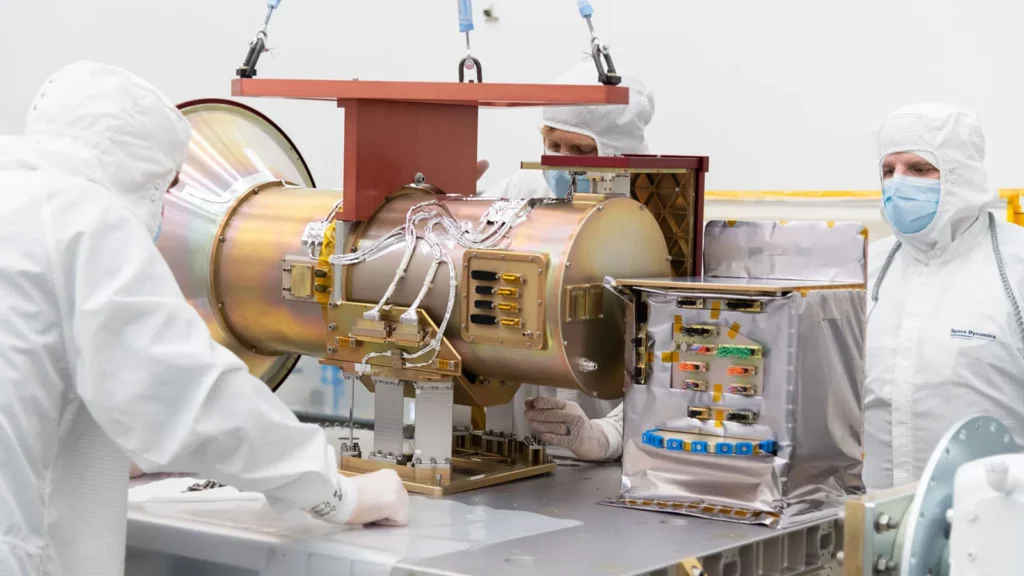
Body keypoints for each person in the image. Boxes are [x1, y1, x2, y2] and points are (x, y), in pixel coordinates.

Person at [0, 61, 409, 576]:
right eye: (168, 187)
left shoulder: (22, 203)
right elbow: (192, 397)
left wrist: (132, 445)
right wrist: (336, 493)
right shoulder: (82, 219)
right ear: (137, 171)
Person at [480, 60, 653, 460]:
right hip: (510, 444)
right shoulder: (521, 189)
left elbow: (673, 373)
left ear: (616, 152)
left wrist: (603, 437)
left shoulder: (651, 220)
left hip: (604, 458)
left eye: (580, 149)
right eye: (554, 144)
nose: (561, 159)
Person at [864, 103, 1024, 489]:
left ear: (960, 174)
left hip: (993, 518)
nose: (898, 183)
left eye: (919, 169)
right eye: (889, 170)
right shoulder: (869, 268)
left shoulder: (1015, 267)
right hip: (875, 518)